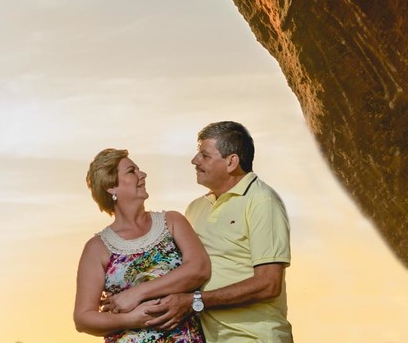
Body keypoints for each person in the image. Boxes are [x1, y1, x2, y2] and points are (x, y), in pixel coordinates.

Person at [134, 121, 294, 341]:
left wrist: (194, 301)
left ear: (231, 162)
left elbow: (268, 284)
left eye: (205, 155)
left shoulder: (262, 201)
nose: (194, 160)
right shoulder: (195, 208)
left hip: (255, 337)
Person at [74, 148, 211, 342]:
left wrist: (136, 293)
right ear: (111, 187)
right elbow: (83, 318)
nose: (143, 174)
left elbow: (199, 268)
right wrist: (130, 319)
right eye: (132, 171)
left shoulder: (172, 222)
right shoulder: (97, 248)